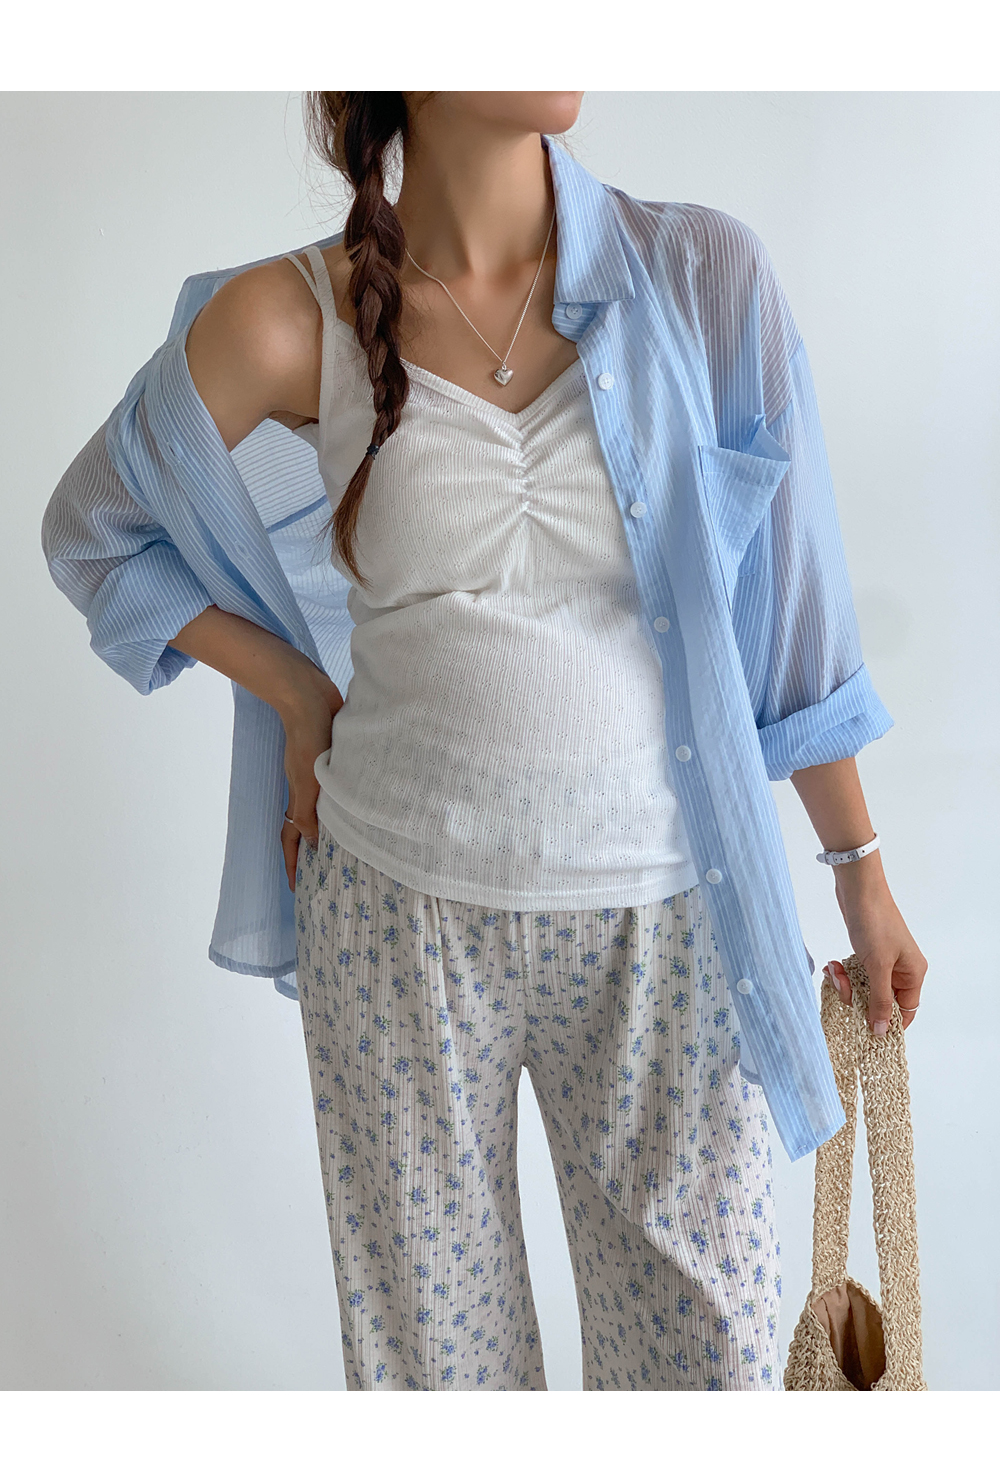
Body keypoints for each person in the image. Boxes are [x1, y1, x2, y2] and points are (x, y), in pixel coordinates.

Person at [43, 91, 927, 1392]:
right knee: (435, 1385)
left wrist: (860, 869)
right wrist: (294, 692)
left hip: (670, 925)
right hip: (394, 925)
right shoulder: (291, 318)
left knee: (711, 1372)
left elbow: (792, 623)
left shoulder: (704, 280)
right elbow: (96, 532)